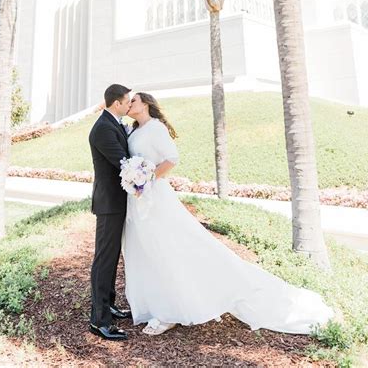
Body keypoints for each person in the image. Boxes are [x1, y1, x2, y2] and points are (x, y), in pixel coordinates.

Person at [123, 92, 335, 336]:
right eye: (128, 102)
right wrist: (134, 180)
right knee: (147, 249)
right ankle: (154, 303)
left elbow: (172, 158)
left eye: (134, 101)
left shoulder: (155, 128)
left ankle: (170, 311)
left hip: (155, 197)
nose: (130, 105)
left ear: (147, 103)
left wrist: (146, 180)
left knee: (167, 247)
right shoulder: (133, 131)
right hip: (138, 199)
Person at [88, 83, 133, 341]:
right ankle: (99, 320)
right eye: (127, 102)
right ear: (117, 103)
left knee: (111, 257)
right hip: (109, 205)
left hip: (116, 203)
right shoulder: (103, 128)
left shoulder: (112, 123)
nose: (129, 105)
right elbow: (123, 162)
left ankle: (109, 305)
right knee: (103, 260)